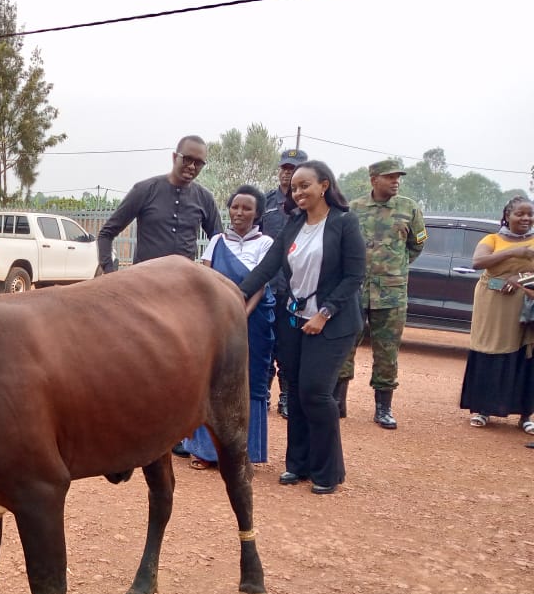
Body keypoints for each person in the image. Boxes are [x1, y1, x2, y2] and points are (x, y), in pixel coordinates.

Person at [238, 161, 366, 495]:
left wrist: (325, 312)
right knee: (294, 390)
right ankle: (298, 464)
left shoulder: (344, 222)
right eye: (294, 187)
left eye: (305, 185)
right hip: (294, 320)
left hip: (332, 323)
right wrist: (234, 295)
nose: (298, 192)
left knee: (316, 392)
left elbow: (355, 275)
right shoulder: (294, 225)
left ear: (324, 185)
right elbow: (266, 268)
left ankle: (328, 471)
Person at [179, 185, 275, 469]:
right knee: (210, 378)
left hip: (252, 321)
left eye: (247, 208)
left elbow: (260, 283)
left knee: (248, 380)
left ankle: (244, 450)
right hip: (215, 320)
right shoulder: (217, 241)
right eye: (235, 207)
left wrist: (240, 314)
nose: (239, 213)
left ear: (257, 213)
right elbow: (205, 278)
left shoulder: (265, 243)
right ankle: (205, 451)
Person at [337, 159, 428, 429]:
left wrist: (394, 268)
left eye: (398, 177)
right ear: (374, 179)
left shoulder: (409, 208)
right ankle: (338, 402)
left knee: (387, 351)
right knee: (344, 346)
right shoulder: (353, 209)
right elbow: (342, 246)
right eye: (389, 177)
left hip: (392, 294)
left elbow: (416, 245)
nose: (395, 181)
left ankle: (383, 408)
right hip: (355, 291)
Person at [459, 196, 534, 432]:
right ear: (507, 216)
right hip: (492, 305)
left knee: (526, 357)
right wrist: (515, 253)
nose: (526, 218)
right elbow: (478, 262)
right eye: (519, 214)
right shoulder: (491, 239)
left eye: (530, 214)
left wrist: (520, 278)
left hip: (525, 308)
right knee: (489, 353)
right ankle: (483, 409)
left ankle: (525, 415)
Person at [96, 135, 223, 273]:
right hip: (144, 284)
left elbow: (219, 243)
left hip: (183, 286)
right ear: (175, 157)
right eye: (187, 159)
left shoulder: (205, 198)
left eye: (198, 163)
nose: (192, 166)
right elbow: (106, 234)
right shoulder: (145, 190)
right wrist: (110, 273)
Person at [261, 148, 308, 420]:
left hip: (297, 289)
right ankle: (263, 395)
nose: (288, 173)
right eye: (285, 168)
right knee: (265, 342)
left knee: (289, 347)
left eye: (294, 168)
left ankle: (287, 397)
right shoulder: (266, 201)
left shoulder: (308, 203)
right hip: (268, 285)